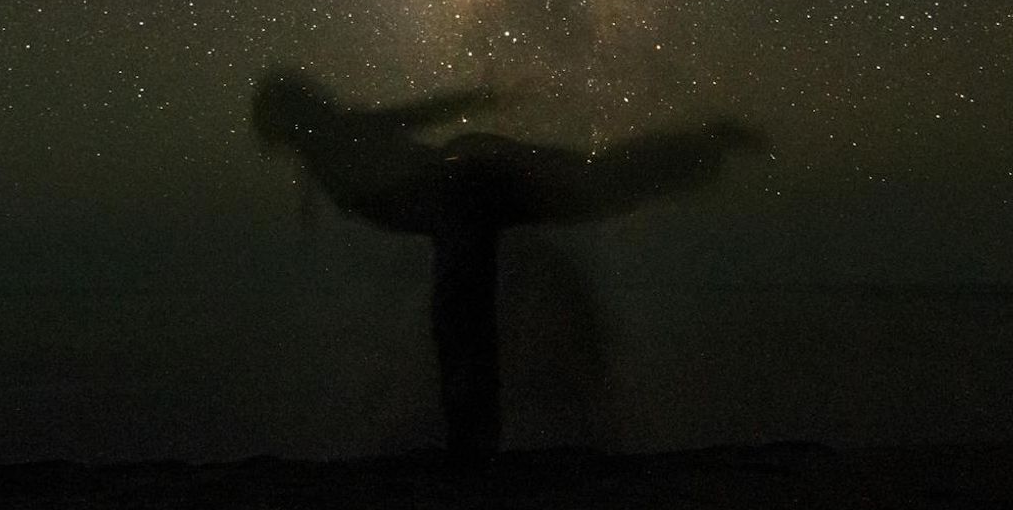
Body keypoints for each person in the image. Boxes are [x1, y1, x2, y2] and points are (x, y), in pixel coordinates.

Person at [251, 68, 763, 466]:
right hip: (467, 194)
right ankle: (472, 443)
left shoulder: (337, 137)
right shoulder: (328, 146)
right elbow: (404, 131)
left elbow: (409, 120)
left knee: (468, 311)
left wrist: (473, 100)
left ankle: (472, 444)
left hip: (469, 190)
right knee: (583, 192)